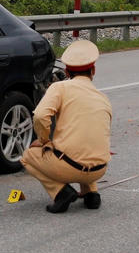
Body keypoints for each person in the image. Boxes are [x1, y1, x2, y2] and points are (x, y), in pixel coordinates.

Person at [20, 39, 113, 213]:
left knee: (27, 156)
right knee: (85, 144)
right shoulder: (103, 98)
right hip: (100, 169)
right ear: (93, 70)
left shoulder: (60, 88)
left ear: (66, 71)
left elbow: (40, 115)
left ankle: (61, 192)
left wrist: (44, 140)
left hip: (69, 166)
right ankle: (91, 193)